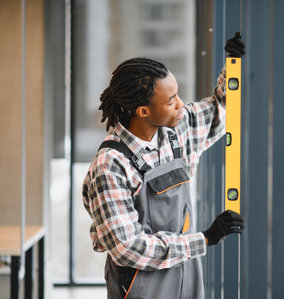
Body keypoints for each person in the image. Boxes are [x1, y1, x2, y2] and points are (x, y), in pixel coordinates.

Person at [82, 33, 246, 299]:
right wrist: (205, 238)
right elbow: (128, 248)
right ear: (143, 111)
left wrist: (233, 65)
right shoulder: (111, 166)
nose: (181, 105)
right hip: (141, 286)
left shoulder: (175, 132)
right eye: (171, 101)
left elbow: (219, 109)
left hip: (186, 276)